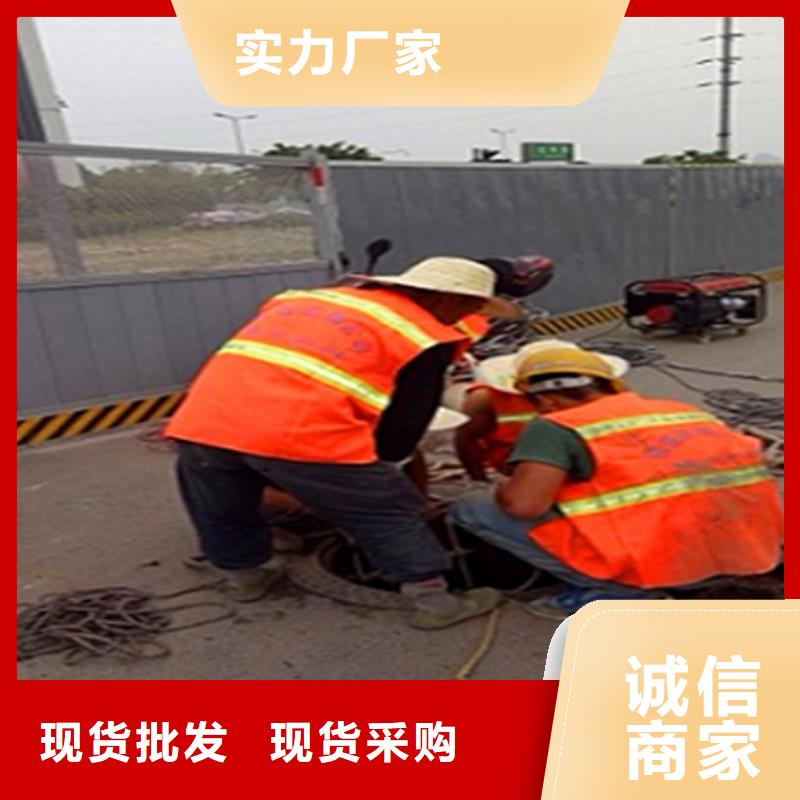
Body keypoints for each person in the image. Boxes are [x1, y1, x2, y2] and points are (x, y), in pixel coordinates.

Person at [166, 257, 519, 629]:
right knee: (385, 509)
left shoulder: (314, 301)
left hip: (205, 419)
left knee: (221, 504)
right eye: (471, 308)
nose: (468, 317)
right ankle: (435, 602)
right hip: (300, 430)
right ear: (449, 299)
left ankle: (246, 577)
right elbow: (408, 418)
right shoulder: (420, 335)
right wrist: (386, 468)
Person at [448, 343, 783, 619]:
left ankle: (618, 591)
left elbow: (524, 506)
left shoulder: (554, 425)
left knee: (473, 506)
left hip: (664, 569)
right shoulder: (682, 410)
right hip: (753, 555)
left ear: (546, 400)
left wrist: (502, 489)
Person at [454, 341, 626, 481]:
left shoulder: (609, 392)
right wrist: (480, 480)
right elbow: (466, 440)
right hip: (520, 469)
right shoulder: (485, 399)